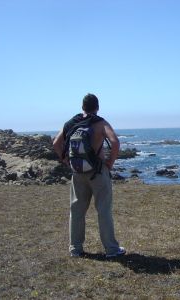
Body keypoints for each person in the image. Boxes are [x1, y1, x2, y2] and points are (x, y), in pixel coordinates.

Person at [53, 93, 126, 258]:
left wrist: (65, 160)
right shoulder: (100, 123)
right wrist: (109, 164)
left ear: (82, 107)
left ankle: (75, 249)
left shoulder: (71, 123)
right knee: (103, 210)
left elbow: (56, 143)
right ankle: (112, 250)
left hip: (78, 172)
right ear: (97, 107)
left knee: (77, 210)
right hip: (98, 172)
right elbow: (114, 142)